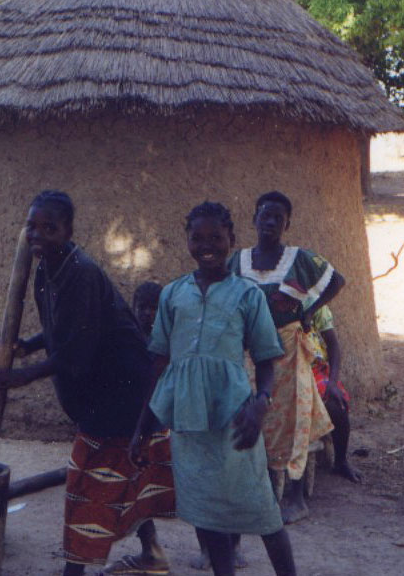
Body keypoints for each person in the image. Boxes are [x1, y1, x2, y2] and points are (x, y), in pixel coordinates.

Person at [0, 191, 175, 576]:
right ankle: (151, 552)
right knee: (123, 474)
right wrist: (30, 345)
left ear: (68, 231)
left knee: (86, 481)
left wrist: (20, 377)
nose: (37, 235)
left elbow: (78, 352)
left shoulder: (82, 272)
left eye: (49, 228)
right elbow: (65, 326)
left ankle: (75, 570)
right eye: (32, 227)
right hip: (103, 389)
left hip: (122, 389)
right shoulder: (46, 267)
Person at [132, 201, 296, 576]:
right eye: (197, 238)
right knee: (207, 512)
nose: (207, 245)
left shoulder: (248, 295)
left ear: (232, 240)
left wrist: (260, 403)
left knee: (263, 508)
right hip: (189, 422)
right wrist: (144, 426)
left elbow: (267, 360)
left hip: (234, 417)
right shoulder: (173, 295)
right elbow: (160, 365)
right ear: (187, 241)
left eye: (216, 238)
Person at [229, 190, 342, 523]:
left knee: (293, 419)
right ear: (254, 219)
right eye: (265, 214)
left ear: (287, 223)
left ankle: (295, 497)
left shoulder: (299, 259)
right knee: (254, 415)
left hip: (288, 350)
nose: (270, 221)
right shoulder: (238, 261)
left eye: (278, 217)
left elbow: (337, 280)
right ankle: (259, 490)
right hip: (249, 351)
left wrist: (309, 311)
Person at [308, 306, 362, 482]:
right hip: (288, 368)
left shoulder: (316, 306)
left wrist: (332, 382)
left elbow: (333, 346)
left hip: (316, 369)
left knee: (336, 404)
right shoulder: (275, 300)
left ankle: (340, 461)